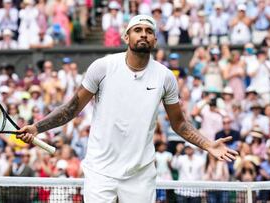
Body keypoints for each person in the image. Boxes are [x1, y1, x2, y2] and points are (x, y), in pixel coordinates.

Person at [17, 15, 238, 202]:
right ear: (126, 37)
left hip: (140, 174)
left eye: (149, 31)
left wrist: (208, 145)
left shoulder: (166, 77)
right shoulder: (102, 67)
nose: (143, 34)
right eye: (138, 30)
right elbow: (71, 109)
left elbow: (179, 123)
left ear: (154, 39)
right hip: (100, 171)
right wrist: (37, 127)